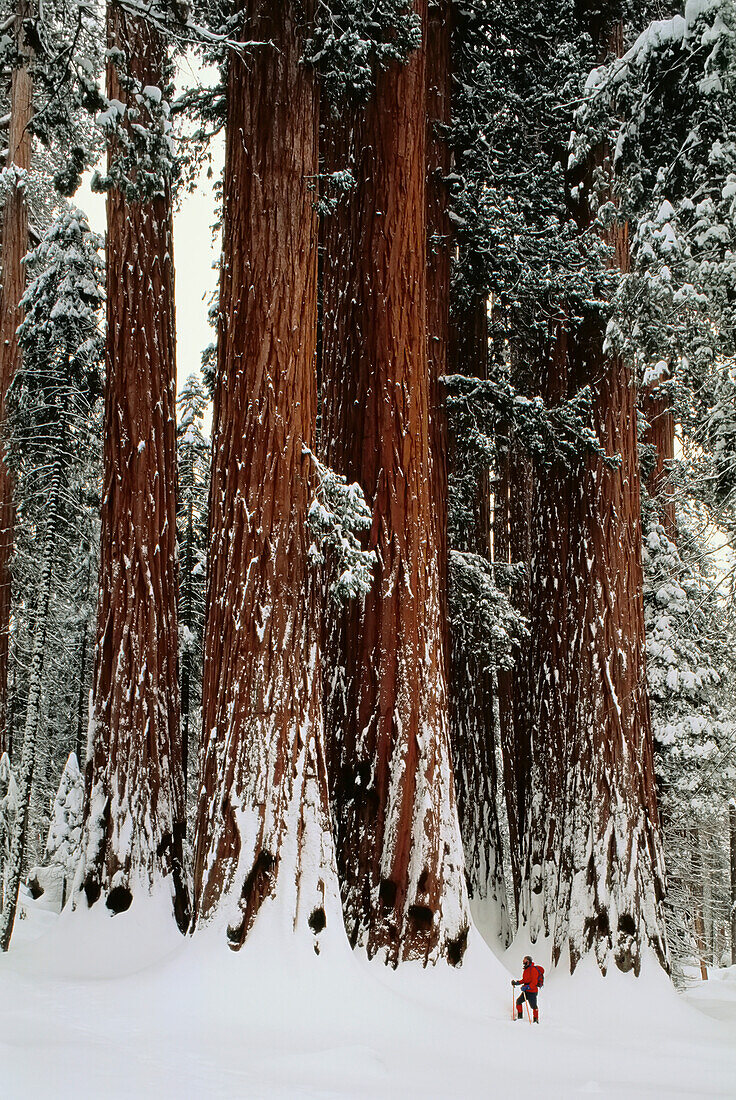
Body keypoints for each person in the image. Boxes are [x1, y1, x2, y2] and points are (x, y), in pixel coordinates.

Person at [512, 955, 540, 1022]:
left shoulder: (533, 970)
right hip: (526, 991)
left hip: (532, 991)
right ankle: (520, 1017)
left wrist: (527, 987)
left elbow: (534, 982)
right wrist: (517, 983)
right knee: (518, 1001)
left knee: (533, 1006)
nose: (523, 962)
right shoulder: (526, 970)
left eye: (524, 960)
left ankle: (536, 1020)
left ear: (528, 961)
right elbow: (525, 980)